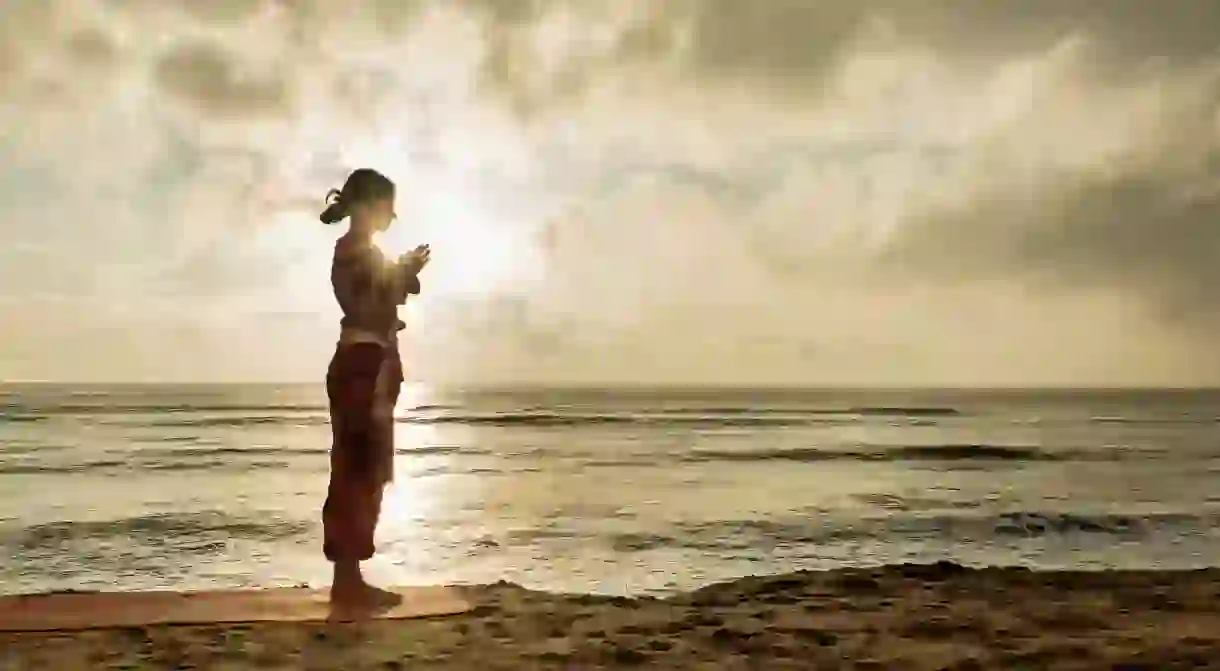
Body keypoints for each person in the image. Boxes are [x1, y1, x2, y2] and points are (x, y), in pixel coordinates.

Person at [318, 168, 430, 610]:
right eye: (386, 206)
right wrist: (403, 271)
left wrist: (403, 272)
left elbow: (383, 295)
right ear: (368, 205)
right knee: (357, 470)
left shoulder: (363, 252)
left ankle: (351, 577)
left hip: (371, 363)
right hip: (362, 365)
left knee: (369, 471)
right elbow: (367, 304)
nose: (390, 216)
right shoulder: (352, 251)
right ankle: (347, 580)